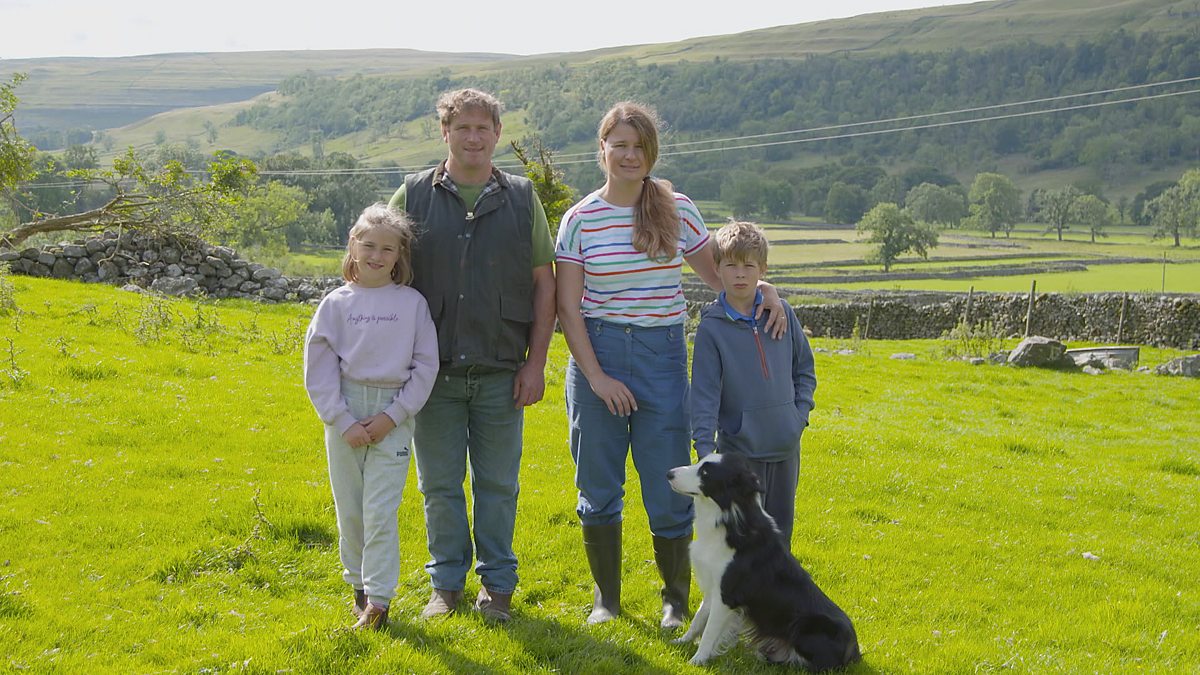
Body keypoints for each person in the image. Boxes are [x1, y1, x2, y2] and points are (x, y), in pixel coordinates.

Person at [555, 101, 786, 628]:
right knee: (598, 485)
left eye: (639, 146)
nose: (629, 155)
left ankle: (674, 602)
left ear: (651, 152)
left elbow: (722, 279)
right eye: (619, 145)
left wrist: (766, 290)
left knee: (669, 485)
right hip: (597, 355)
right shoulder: (579, 219)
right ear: (602, 150)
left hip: (661, 357)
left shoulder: (677, 209)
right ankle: (606, 601)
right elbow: (568, 308)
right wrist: (597, 378)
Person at [388, 88, 556, 623]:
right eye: (462, 127)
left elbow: (544, 284)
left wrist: (536, 363)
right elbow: (381, 269)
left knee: (498, 486)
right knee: (439, 486)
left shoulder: (523, 198)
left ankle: (498, 587)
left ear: (498, 134)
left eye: (483, 128)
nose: (474, 137)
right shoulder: (411, 195)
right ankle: (446, 586)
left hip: (503, 371)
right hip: (431, 374)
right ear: (445, 132)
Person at [303, 203, 439, 631]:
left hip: (392, 414)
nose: (377, 256)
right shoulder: (335, 304)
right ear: (353, 246)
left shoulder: (412, 304)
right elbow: (318, 368)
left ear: (400, 255)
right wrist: (342, 420)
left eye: (387, 249)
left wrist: (392, 416)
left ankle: (379, 601)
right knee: (351, 509)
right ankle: (358, 590)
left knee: (380, 509)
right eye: (369, 246)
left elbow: (426, 367)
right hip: (345, 413)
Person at [689, 220, 816, 546]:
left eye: (749, 266)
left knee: (780, 539)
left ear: (763, 269)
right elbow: (704, 394)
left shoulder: (781, 313)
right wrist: (705, 450)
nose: (740, 274)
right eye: (731, 265)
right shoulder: (712, 329)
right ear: (717, 268)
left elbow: (804, 368)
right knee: (740, 541)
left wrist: (798, 417)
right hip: (740, 453)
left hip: (785, 448)